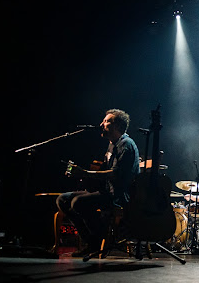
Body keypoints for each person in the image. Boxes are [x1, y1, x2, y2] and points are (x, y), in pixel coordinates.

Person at [56, 109, 140, 257]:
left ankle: (97, 239)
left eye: (107, 121)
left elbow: (115, 174)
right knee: (62, 199)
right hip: (108, 191)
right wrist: (80, 174)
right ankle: (92, 241)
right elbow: (104, 171)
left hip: (120, 196)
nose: (101, 124)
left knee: (78, 202)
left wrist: (85, 173)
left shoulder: (125, 145)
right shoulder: (112, 144)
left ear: (118, 125)